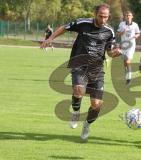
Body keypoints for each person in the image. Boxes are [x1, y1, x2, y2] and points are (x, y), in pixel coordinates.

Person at [40, 3, 122, 141]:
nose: (103, 20)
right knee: (79, 89)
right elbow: (64, 27)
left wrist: (115, 53)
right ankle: (76, 112)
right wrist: (50, 39)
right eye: (101, 16)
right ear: (95, 14)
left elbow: (109, 51)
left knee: (96, 105)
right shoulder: (83, 23)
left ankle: (87, 124)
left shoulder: (109, 31)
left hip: (97, 69)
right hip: (79, 64)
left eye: (106, 17)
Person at [116, 11, 140, 85]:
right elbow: (118, 33)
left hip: (131, 45)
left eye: (129, 15)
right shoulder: (122, 24)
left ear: (132, 16)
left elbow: (138, 33)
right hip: (124, 45)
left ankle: (129, 77)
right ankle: (127, 76)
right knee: (124, 63)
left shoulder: (135, 25)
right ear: (125, 17)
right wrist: (123, 32)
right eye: (127, 15)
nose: (128, 16)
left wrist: (136, 36)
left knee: (127, 61)